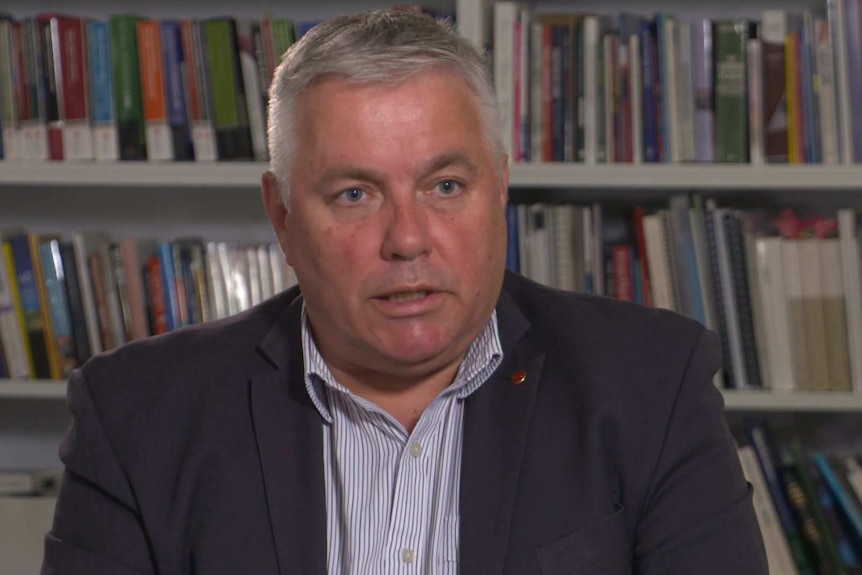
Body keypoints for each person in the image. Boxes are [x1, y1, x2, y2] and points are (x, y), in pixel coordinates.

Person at [41, 9, 768, 575]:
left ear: (501, 188)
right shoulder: (137, 416)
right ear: (282, 216)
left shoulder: (652, 386)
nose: (409, 237)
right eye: (355, 193)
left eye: (445, 185)